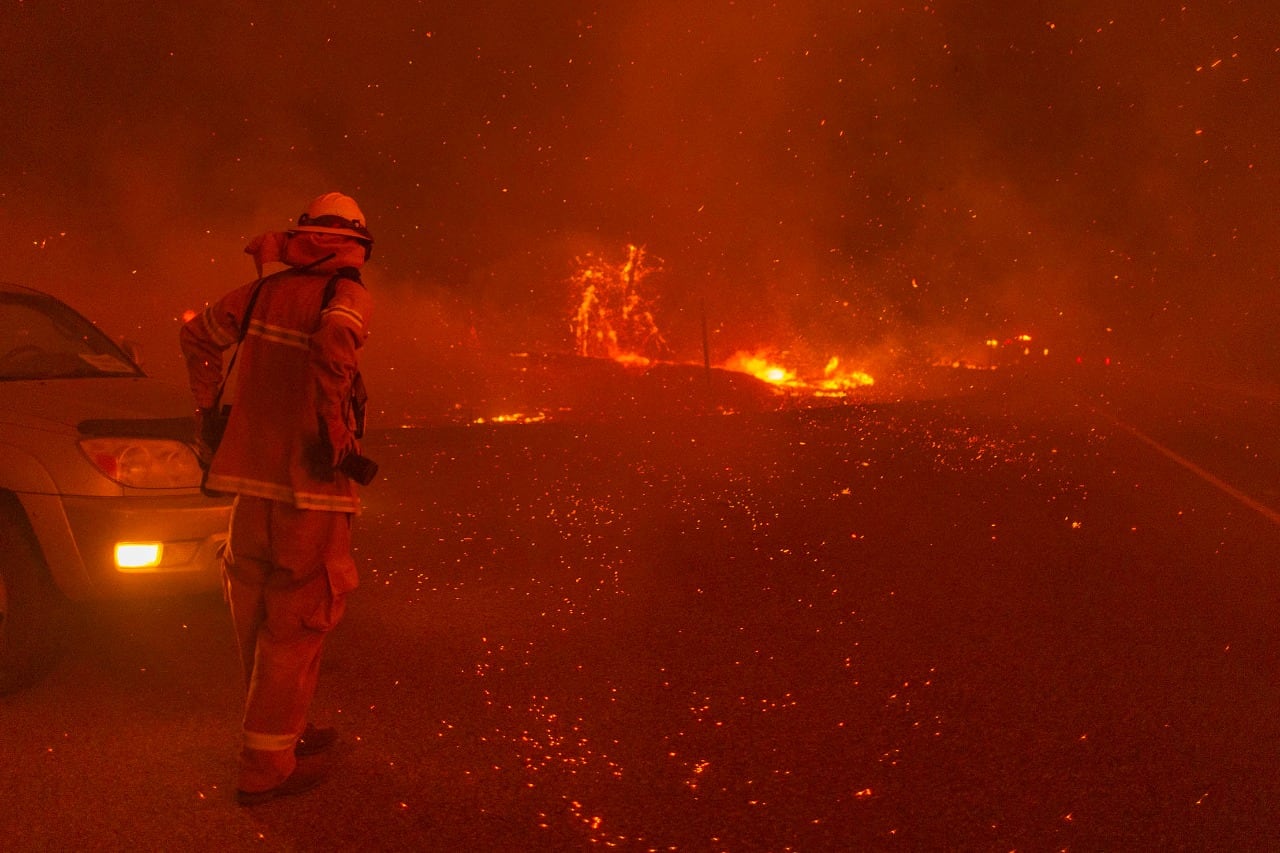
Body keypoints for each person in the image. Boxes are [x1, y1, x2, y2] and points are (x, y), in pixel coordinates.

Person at [180, 192, 375, 805]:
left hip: (248, 485)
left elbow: (197, 338)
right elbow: (334, 349)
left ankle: (281, 732)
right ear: (352, 245)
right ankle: (265, 768)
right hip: (307, 491)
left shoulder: (261, 293)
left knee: (257, 615)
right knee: (297, 622)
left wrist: (208, 412)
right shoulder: (344, 296)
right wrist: (336, 437)